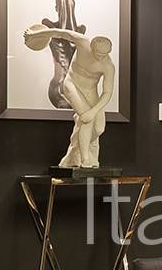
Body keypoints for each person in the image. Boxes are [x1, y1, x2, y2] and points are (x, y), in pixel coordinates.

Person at [24, 25, 117, 169]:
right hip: (71, 85)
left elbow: (107, 93)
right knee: (87, 120)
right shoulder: (83, 42)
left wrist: (93, 111)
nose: (100, 57)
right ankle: (85, 160)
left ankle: (74, 151)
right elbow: (60, 33)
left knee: (99, 129)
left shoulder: (108, 66)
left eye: (104, 55)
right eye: (98, 53)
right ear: (92, 46)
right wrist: (37, 34)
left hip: (91, 92)